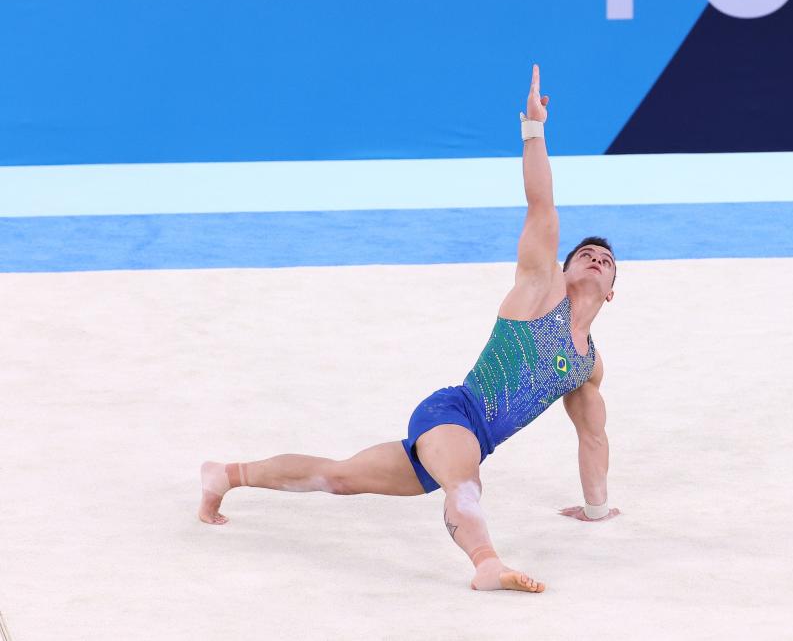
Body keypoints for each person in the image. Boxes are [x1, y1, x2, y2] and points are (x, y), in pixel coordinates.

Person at [198, 64, 619, 593]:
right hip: (453, 414)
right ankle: (486, 564)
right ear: (563, 269)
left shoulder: (587, 365)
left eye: (606, 260)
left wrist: (597, 510)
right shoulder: (541, 291)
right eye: (585, 253)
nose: (596, 258)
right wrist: (534, 131)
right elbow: (542, 205)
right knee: (466, 483)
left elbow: (592, 436)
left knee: (339, 477)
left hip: (468, 437)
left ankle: (226, 474)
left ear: (612, 292)